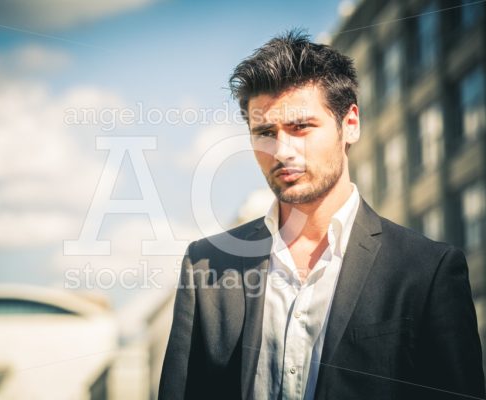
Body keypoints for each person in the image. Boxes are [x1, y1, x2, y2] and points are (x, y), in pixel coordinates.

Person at [158, 30, 485, 400]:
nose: (282, 150)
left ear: (350, 124)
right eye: (264, 132)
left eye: (301, 127)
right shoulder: (206, 265)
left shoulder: (427, 271)